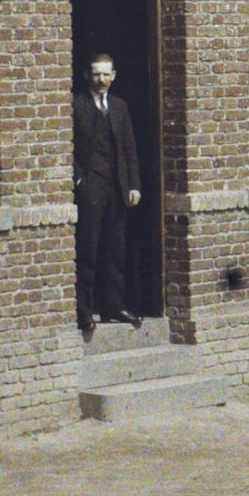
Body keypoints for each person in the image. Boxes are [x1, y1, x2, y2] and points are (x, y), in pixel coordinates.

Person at [74, 52, 142, 337]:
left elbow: (128, 148)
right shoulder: (75, 105)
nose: (101, 79)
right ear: (87, 76)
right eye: (96, 74)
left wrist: (133, 185)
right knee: (88, 249)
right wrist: (78, 179)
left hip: (117, 188)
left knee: (115, 250)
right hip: (91, 187)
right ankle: (85, 311)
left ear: (114, 76)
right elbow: (67, 145)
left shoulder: (119, 106)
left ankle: (114, 305)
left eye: (106, 74)